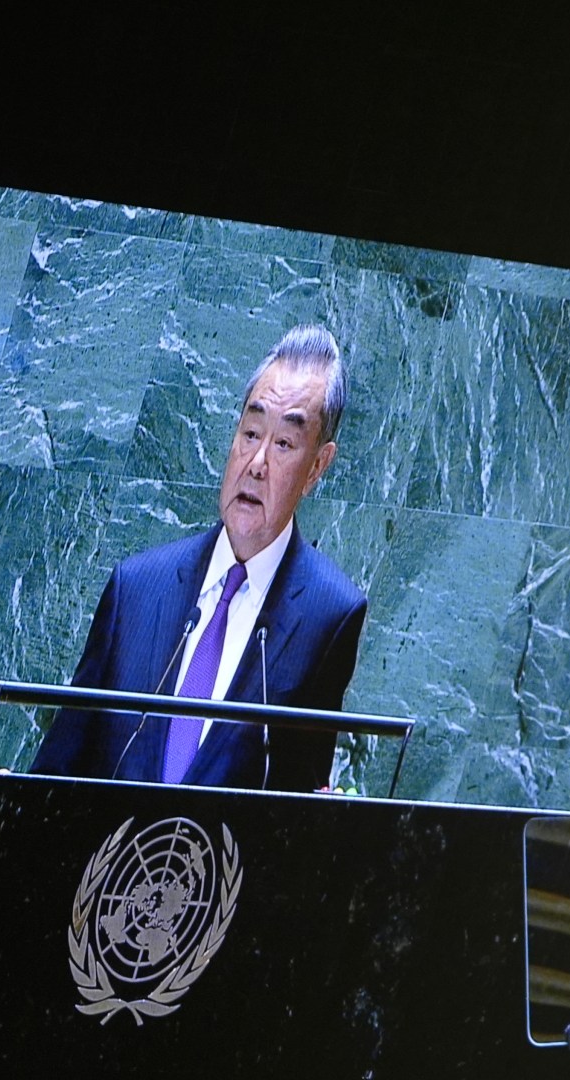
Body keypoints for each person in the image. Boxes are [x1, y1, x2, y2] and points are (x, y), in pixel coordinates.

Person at [33, 325, 369, 791]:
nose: (257, 463)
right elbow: (58, 768)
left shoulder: (328, 615)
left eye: (285, 444)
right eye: (251, 433)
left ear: (316, 467)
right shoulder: (135, 588)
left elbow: (298, 808)